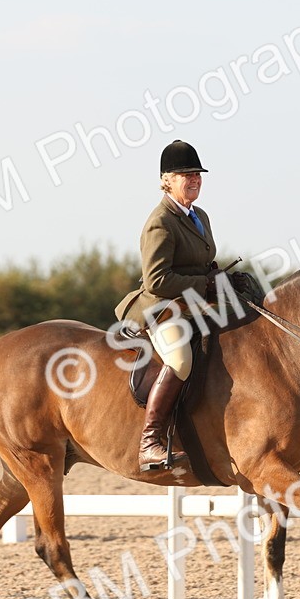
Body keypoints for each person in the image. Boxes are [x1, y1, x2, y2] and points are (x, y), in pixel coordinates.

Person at [115, 140, 219, 471]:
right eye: (186, 175)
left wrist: (223, 279)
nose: (195, 179)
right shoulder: (160, 221)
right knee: (180, 359)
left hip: (196, 303)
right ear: (167, 180)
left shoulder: (198, 215)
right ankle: (150, 442)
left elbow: (201, 263)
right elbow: (157, 280)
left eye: (198, 174)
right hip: (163, 306)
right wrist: (205, 284)